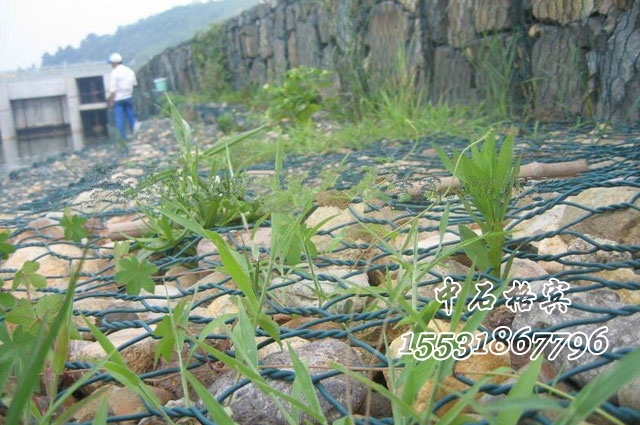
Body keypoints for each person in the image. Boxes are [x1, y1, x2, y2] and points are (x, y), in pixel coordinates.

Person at [107, 53, 137, 141]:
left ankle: (122, 138)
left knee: (119, 119)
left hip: (118, 99)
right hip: (128, 97)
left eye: (111, 63)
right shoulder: (129, 71)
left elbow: (113, 89)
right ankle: (135, 134)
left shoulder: (114, 73)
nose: (111, 65)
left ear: (115, 63)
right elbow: (134, 84)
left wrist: (111, 101)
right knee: (131, 116)